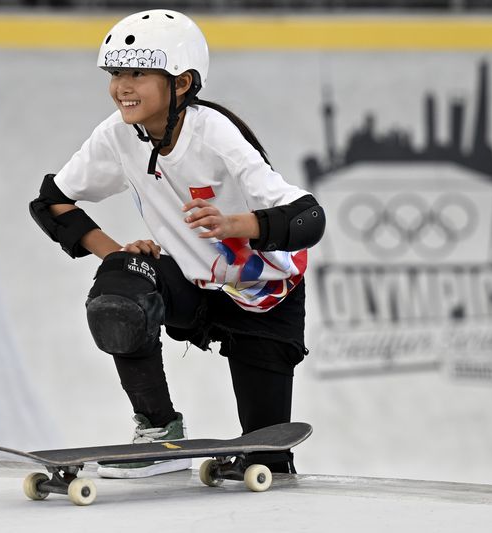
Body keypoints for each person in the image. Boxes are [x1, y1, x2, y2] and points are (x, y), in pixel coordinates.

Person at [29, 9, 325, 479]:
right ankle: (159, 429)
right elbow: (51, 202)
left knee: (267, 460)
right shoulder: (117, 136)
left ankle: (266, 462)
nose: (122, 86)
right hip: (192, 285)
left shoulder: (217, 135)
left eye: (138, 74)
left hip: (266, 297)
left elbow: (309, 217)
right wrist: (118, 253)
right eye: (116, 74)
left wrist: (237, 223)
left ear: (182, 82)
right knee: (119, 289)